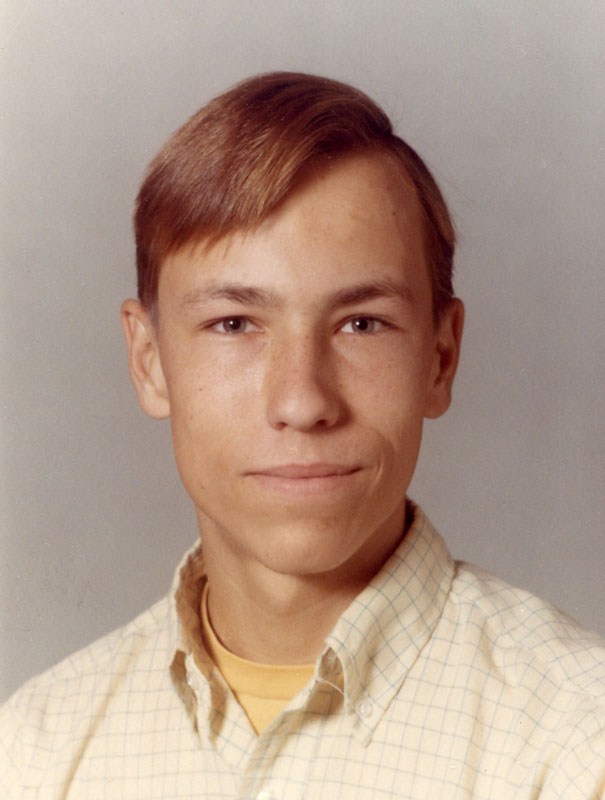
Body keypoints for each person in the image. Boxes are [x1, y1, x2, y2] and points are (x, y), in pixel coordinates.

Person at [1, 72, 604, 800]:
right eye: (234, 324)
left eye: (362, 324)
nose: (302, 401)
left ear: (440, 358)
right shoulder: (35, 751)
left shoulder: (577, 742)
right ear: (149, 360)